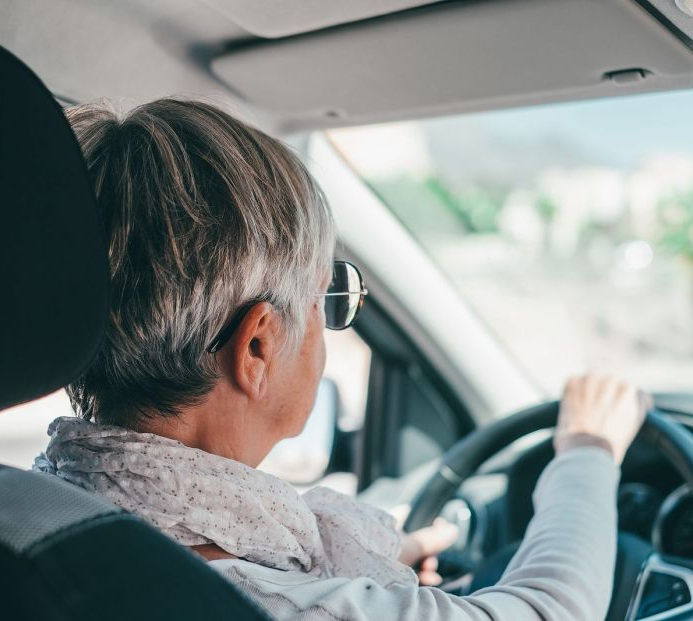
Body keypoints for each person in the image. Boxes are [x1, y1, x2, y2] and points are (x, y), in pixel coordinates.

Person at [34, 98, 647, 621]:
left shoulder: (23, 514)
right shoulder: (260, 605)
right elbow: (550, 610)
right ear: (258, 346)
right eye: (324, 301)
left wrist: (380, 557)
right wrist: (588, 450)